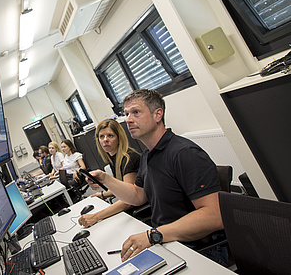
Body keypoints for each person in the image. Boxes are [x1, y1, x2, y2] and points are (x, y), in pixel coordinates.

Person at [87, 89, 226, 266]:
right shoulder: (148, 155)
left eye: (136, 112)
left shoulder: (184, 153)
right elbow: (137, 196)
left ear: (157, 114)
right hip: (167, 241)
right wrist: (105, 179)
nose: (128, 119)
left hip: (200, 251)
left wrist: (154, 235)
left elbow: (214, 216)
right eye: (127, 114)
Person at [78, 119, 140, 228]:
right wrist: (102, 194)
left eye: (110, 136)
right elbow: (122, 186)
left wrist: (95, 217)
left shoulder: (129, 159)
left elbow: (128, 200)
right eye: (101, 136)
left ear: (119, 138)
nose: (105, 140)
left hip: (138, 216)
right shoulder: (114, 158)